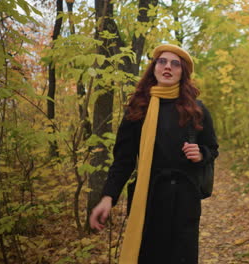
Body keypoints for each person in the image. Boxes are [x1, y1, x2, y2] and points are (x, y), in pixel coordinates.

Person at [89, 44, 219, 264]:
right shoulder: (138, 108)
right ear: (154, 68)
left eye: (175, 64)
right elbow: (123, 160)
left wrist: (201, 154)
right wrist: (108, 196)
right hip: (149, 200)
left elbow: (212, 148)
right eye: (162, 62)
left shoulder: (196, 109)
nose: (168, 67)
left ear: (182, 72)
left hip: (185, 201)